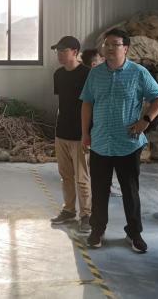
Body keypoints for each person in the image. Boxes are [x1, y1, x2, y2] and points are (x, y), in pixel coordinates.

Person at [80, 28, 158, 252]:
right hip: (100, 142)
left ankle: (134, 233)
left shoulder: (138, 73)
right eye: (106, 44)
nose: (109, 48)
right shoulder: (95, 74)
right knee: (99, 190)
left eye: (115, 44)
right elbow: (87, 103)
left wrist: (145, 121)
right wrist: (85, 133)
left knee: (130, 191)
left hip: (128, 143)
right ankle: (97, 230)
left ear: (125, 48)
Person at [49, 36, 92, 233]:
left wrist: (87, 133)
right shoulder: (58, 75)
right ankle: (68, 210)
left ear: (75, 52)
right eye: (57, 51)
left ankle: (86, 215)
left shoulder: (87, 74)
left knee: (82, 178)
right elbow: (62, 104)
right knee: (65, 175)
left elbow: (91, 105)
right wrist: (57, 130)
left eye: (63, 51)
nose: (59, 54)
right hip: (62, 132)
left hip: (80, 134)